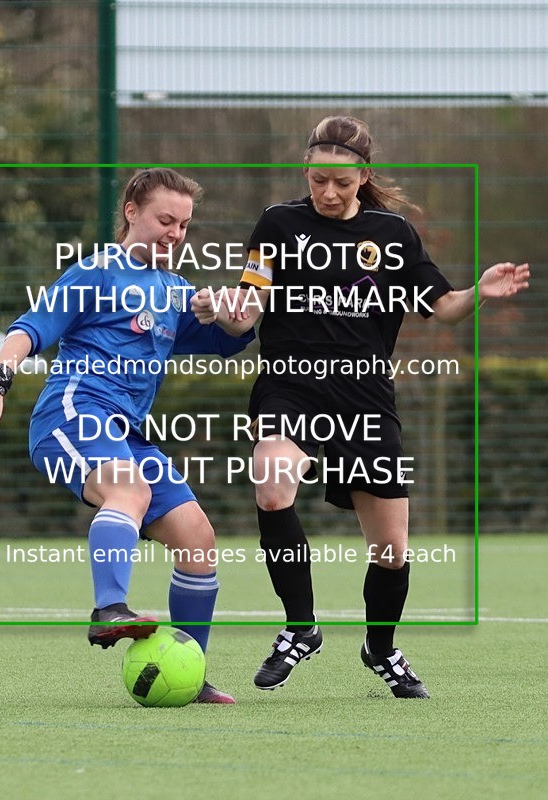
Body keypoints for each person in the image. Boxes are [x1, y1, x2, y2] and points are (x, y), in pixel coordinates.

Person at [191, 116, 530, 699]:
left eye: (341, 184)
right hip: (290, 384)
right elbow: (248, 307)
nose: (328, 192)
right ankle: (301, 626)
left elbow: (443, 307)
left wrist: (480, 293)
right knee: (272, 486)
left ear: (362, 177)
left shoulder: (394, 234)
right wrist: (219, 307)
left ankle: (380, 647)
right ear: (306, 172)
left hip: (365, 393)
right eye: (319, 180)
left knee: (391, 550)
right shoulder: (277, 224)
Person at [0, 167, 255, 704]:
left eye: (185, 225)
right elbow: (29, 329)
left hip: (126, 433)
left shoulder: (174, 290)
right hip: (72, 415)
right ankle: (108, 610)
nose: (175, 234)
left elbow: (228, 338)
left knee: (198, 537)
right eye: (165, 219)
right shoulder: (96, 273)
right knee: (130, 490)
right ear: (131, 212)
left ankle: (187, 667)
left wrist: (232, 313)